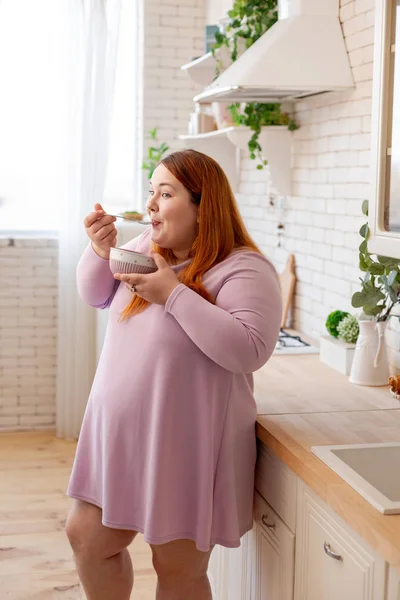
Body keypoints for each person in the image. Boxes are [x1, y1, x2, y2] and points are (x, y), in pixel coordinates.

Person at [65, 149, 282, 600]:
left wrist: (175, 295)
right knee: (86, 536)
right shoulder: (147, 248)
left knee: (175, 567)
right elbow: (96, 293)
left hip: (185, 444)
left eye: (166, 193)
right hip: (120, 436)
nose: (151, 205)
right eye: (152, 192)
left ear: (205, 208)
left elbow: (249, 350)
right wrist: (98, 250)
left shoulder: (243, 268)